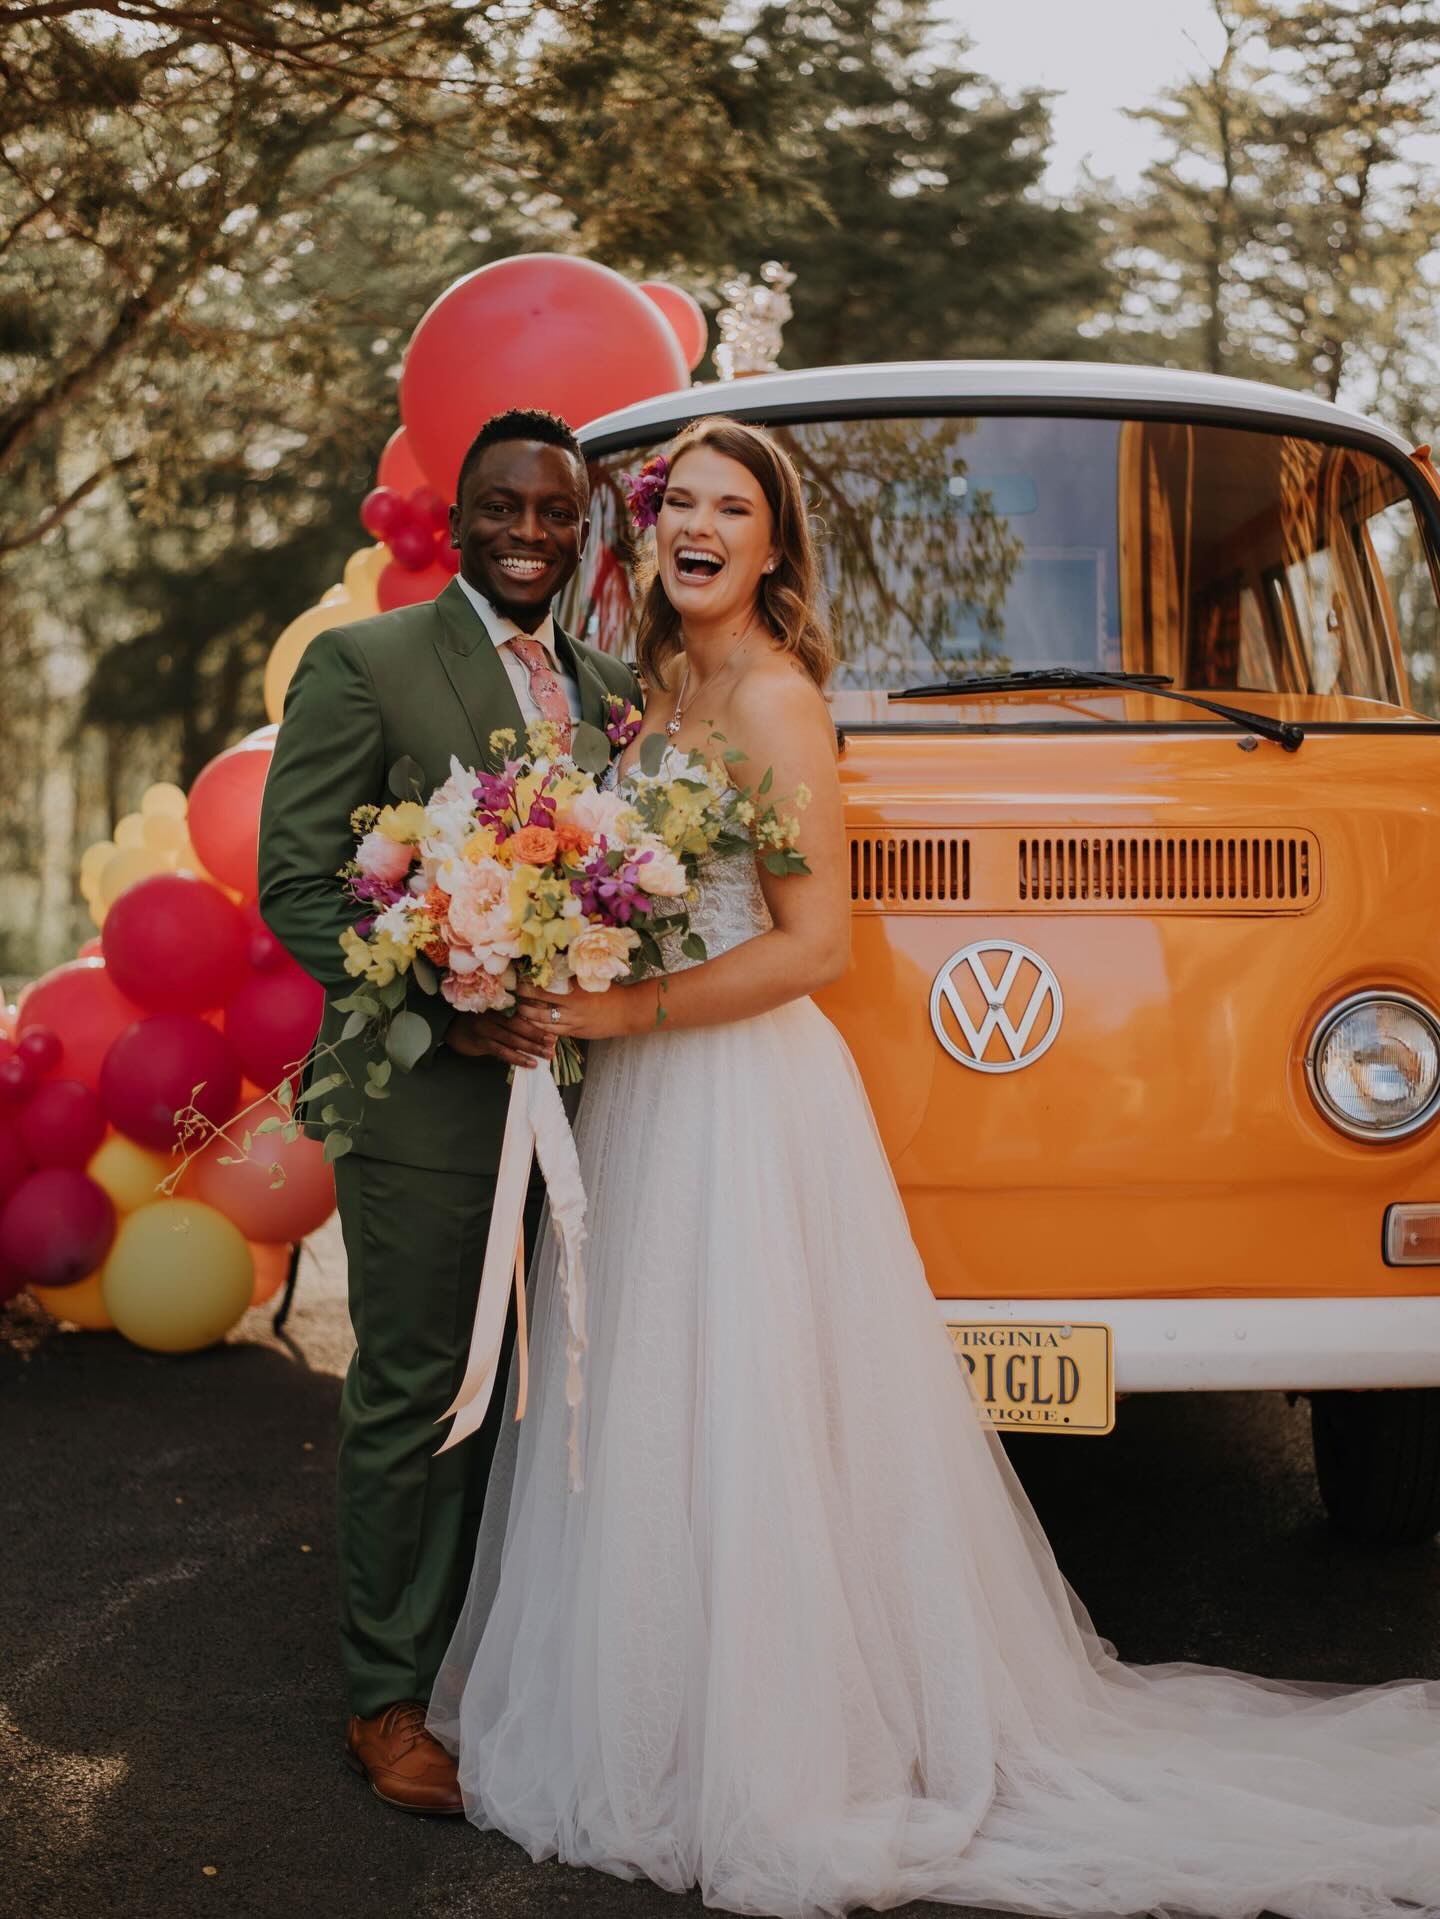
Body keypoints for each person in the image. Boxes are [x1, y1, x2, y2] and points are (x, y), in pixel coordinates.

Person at [427, 417, 1440, 1919]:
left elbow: (814, 945)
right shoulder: (652, 691)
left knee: (758, 1415)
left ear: (775, 547)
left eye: (732, 509)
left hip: (731, 1089)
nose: (699, 527)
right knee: (663, 1405)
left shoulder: (776, 697)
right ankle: (665, 1717)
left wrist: (616, 1007)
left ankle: (778, 1745)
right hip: (653, 1094)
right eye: (678, 503)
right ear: (645, 533)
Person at [258, 408, 640, 1816]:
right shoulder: (366, 663)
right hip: (422, 1102)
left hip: (580, 1108)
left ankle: (484, 1665)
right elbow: (299, 884)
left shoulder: (611, 691)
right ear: (456, 516)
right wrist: (452, 994)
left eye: (555, 511)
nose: (529, 533)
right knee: (416, 1391)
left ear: (583, 526)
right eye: (502, 507)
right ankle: (388, 1697)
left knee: (530, 1401)